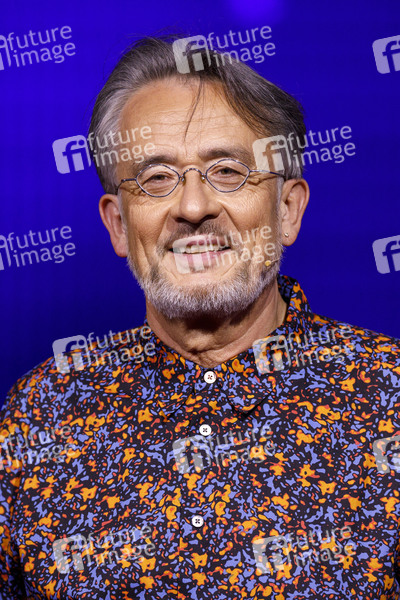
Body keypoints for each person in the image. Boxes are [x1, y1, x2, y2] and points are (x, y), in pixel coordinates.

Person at [0, 36, 399, 600]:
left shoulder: (389, 396)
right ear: (118, 225)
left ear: (287, 209)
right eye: (156, 178)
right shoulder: (36, 416)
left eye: (228, 171)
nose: (192, 207)